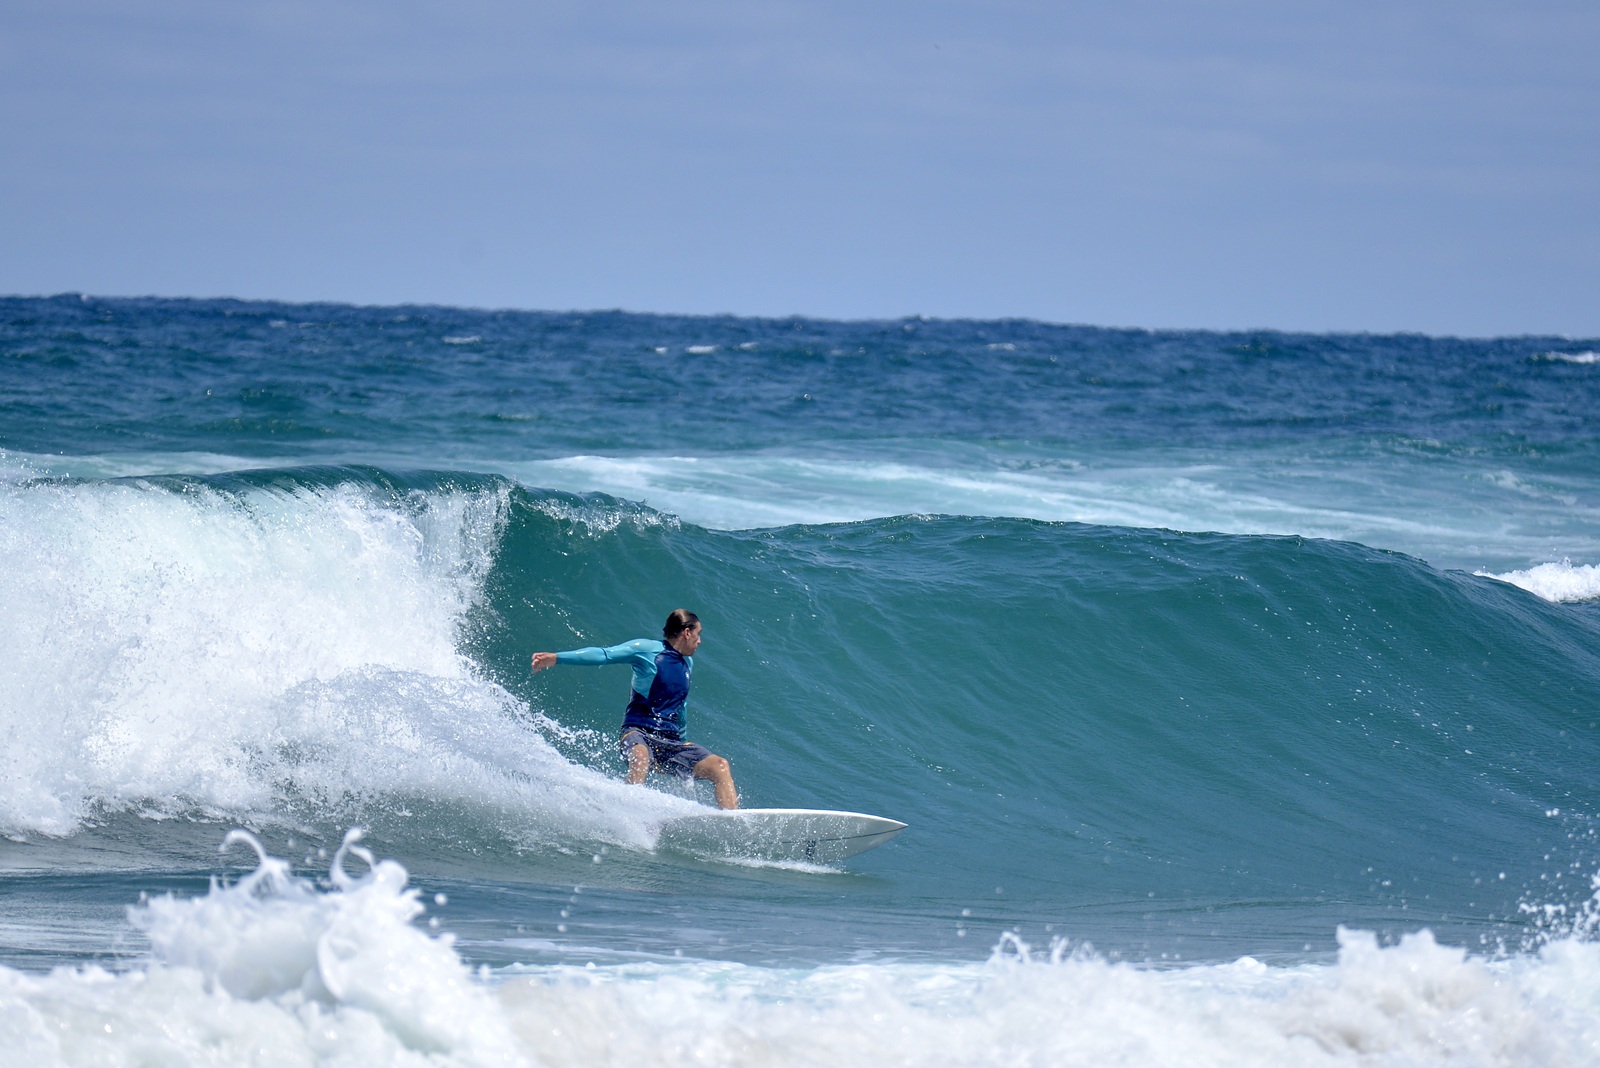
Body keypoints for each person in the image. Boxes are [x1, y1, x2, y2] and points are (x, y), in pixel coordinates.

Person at [530, 609, 739, 809]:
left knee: (720, 766)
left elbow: (680, 705)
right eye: (698, 634)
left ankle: (731, 823)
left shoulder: (687, 664)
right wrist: (557, 658)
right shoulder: (646, 649)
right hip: (637, 732)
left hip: (670, 741)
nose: (699, 641)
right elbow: (605, 654)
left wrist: (681, 739)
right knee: (640, 757)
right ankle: (628, 811)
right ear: (686, 633)